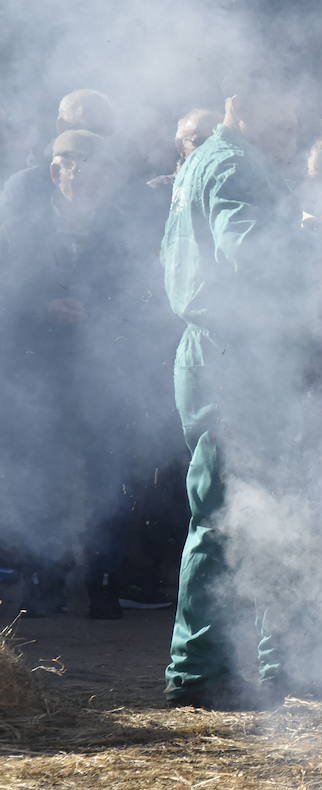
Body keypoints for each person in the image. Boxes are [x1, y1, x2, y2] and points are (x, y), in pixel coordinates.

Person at [160, 84, 315, 708]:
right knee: (223, 513)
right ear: (243, 104)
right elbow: (250, 252)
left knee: (271, 507)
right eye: (283, 118)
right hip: (229, 358)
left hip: (245, 354)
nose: (291, 132)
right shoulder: (230, 162)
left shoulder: (224, 160)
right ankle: (197, 670)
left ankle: (280, 661)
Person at [0, 129, 155, 619]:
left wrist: (102, 312)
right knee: (42, 474)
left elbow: (144, 290)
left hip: (106, 367)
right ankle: (43, 578)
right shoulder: (22, 220)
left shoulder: (125, 223)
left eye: (100, 166)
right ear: (56, 170)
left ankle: (103, 579)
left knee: (107, 473)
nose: (90, 176)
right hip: (39, 367)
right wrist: (43, 306)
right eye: (77, 164)